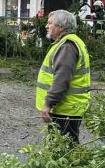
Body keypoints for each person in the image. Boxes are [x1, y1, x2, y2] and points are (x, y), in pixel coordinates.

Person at [35, 9, 91, 144]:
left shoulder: (67, 46)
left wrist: (48, 103)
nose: (46, 26)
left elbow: (61, 79)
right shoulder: (68, 43)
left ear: (61, 27)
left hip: (65, 109)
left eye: (50, 23)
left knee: (65, 150)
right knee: (64, 147)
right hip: (67, 108)